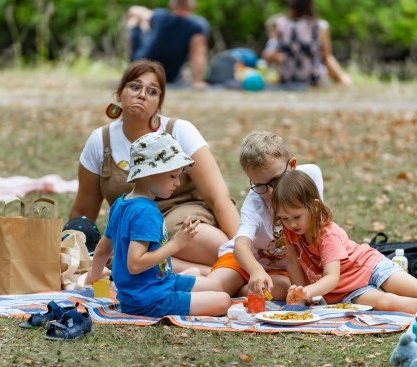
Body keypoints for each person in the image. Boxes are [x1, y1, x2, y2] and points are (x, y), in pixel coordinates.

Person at [69, 59, 240, 275]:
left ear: (159, 102)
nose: (142, 95)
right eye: (135, 87)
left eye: (152, 91)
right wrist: (68, 253)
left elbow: (218, 197)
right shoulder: (100, 141)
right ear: (119, 94)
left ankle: (232, 271)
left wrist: (245, 251)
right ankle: (217, 275)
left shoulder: (179, 131)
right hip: (136, 234)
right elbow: (83, 211)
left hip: (184, 216)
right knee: (131, 250)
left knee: (199, 239)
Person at [271, 170, 417, 314]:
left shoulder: (328, 235)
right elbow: (293, 263)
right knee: (389, 303)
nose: (291, 224)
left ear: (314, 206)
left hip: (371, 268)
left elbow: (331, 277)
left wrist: (308, 292)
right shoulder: (292, 231)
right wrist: (298, 295)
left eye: (296, 216)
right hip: (345, 292)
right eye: (285, 218)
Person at [87, 132, 231, 317]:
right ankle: (180, 296)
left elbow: (102, 249)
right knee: (223, 300)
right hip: (149, 300)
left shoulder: (121, 203)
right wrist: (176, 244)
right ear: (149, 174)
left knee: (217, 286)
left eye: (179, 176)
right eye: (172, 176)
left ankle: (185, 287)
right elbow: (135, 264)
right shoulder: (146, 212)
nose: (177, 183)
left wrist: (95, 275)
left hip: (156, 283)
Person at [207, 131, 324, 301]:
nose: (270, 192)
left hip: (286, 268)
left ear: (292, 165)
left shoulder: (309, 177)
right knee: (214, 289)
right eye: (259, 185)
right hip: (245, 261)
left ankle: (241, 290)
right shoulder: (254, 202)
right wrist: (255, 270)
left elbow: (318, 224)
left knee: (286, 291)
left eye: (275, 181)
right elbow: (241, 246)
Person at [261, 1, 352, 86]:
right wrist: (341, 78)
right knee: (338, 76)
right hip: (313, 79)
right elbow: (326, 57)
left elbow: (271, 55)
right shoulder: (319, 26)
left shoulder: (279, 25)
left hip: (288, 79)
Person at [126, 0, 209, 88]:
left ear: (171, 6)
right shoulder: (197, 26)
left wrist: (143, 24)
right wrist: (197, 81)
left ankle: (130, 70)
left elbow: (134, 10)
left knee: (134, 21)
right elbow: (197, 55)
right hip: (167, 75)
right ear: (192, 8)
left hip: (139, 68)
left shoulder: (159, 16)